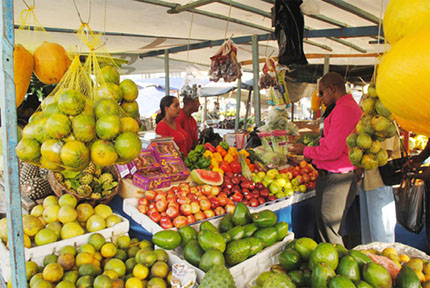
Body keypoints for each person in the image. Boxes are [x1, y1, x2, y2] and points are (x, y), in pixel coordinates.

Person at [288, 72, 362, 245]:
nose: (320, 98)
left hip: (337, 178)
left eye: (321, 93)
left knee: (330, 231)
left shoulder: (344, 110)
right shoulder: (345, 107)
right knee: (328, 228)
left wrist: (304, 150)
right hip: (336, 175)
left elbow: (331, 151)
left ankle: (336, 268)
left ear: (332, 89)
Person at [356, 135, 401, 244]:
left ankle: (384, 256)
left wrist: (361, 165)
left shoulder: (384, 125)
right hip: (367, 179)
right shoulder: (370, 124)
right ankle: (370, 255)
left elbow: (386, 153)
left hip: (378, 180)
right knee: (368, 225)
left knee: (379, 225)